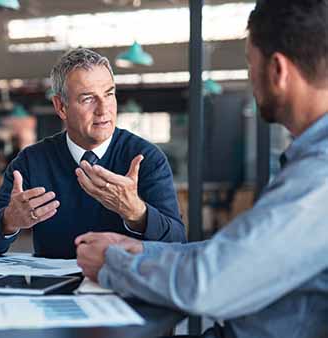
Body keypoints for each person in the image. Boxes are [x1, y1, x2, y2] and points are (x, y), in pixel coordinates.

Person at [76, 1, 328, 337]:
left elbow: (210, 283)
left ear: (278, 70)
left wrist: (112, 263)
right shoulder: (309, 162)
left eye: (250, 66)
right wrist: (140, 249)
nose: (250, 78)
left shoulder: (319, 173)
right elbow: (237, 254)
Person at [0, 48, 186, 259]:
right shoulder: (31, 162)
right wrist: (8, 220)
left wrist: (137, 213)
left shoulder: (146, 158)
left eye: (109, 94)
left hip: (122, 285)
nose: (104, 109)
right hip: (52, 289)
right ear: (61, 107)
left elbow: (178, 243)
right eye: (88, 99)